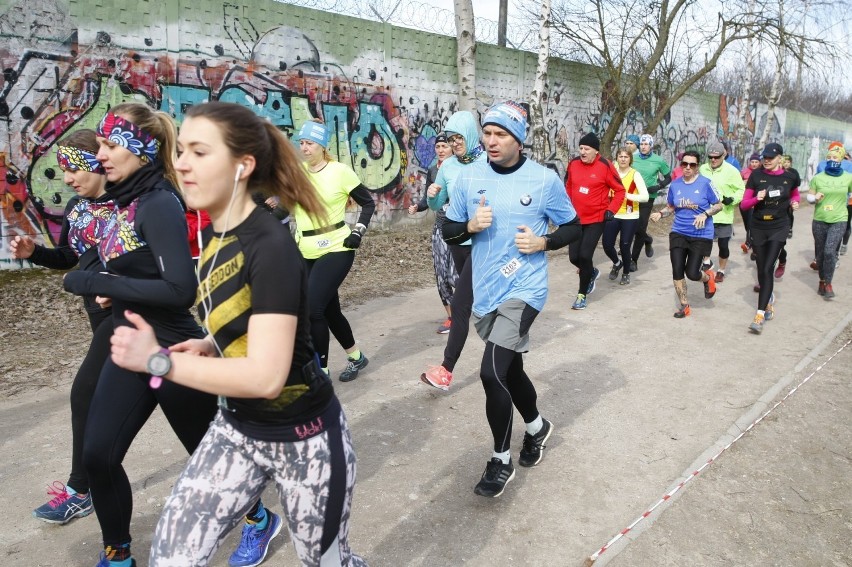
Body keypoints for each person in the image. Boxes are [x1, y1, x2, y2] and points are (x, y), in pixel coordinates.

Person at [108, 101, 367, 567]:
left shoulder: (270, 246)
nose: (181, 162)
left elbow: (267, 378)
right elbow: (249, 315)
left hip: (305, 437)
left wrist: (158, 360)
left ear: (242, 165)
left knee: (327, 563)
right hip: (236, 430)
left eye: (199, 152)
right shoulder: (215, 233)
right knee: (171, 555)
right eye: (181, 150)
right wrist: (212, 343)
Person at [61, 103, 218, 567]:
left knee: (206, 460)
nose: (101, 154)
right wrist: (117, 291)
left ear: (139, 149)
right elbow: (136, 267)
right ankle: (119, 554)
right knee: (97, 455)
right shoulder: (121, 203)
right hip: (129, 345)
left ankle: (256, 519)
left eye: (110, 145)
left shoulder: (157, 204)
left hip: (173, 348)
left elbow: (180, 289)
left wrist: (99, 284)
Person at [442, 101, 580, 497]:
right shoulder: (469, 178)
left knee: (490, 373)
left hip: (525, 289)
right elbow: (449, 230)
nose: (491, 141)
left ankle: (500, 461)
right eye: (487, 133)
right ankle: (537, 427)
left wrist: (544, 242)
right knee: (510, 370)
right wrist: (468, 225)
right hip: (487, 291)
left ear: (520, 139)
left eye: (501, 134)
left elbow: (574, 226)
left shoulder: (543, 180)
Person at [11, 130, 113, 525]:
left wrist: (120, 289)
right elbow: (70, 256)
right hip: (98, 316)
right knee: (183, 403)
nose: (67, 178)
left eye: (73, 168)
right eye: (63, 169)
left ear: (95, 164)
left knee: (84, 394)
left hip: (128, 316)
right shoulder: (76, 208)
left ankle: (79, 490)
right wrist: (34, 252)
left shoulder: (129, 205)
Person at [294, 120, 376, 382]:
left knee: (312, 310)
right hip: (305, 250)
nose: (304, 148)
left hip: (338, 246)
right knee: (329, 311)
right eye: (302, 143)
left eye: (309, 143)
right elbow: (285, 210)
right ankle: (356, 357)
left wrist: (358, 231)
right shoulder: (297, 173)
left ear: (322, 146)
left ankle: (321, 372)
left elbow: (368, 204)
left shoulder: (340, 172)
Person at [420, 110, 487, 391]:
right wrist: (432, 197)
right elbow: (439, 209)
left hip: (482, 245)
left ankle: (446, 370)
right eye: (451, 138)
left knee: (460, 305)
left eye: (459, 137)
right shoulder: (447, 166)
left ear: (470, 135)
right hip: (457, 242)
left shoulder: (487, 163)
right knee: (477, 304)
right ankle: (504, 347)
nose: (455, 142)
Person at [650, 150, 721, 318]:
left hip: (701, 234)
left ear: (697, 167)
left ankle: (707, 278)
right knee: (677, 269)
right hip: (679, 232)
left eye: (692, 165)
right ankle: (684, 305)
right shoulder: (675, 185)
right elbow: (672, 207)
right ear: (681, 165)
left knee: (692, 273)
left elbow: (719, 205)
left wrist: (705, 214)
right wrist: (661, 214)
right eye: (685, 164)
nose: (688, 168)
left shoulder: (705, 184)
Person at [739, 142, 800, 334]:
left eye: (770, 158)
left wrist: (795, 202)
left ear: (780, 158)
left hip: (779, 227)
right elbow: (743, 205)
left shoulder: (791, 176)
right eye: (764, 157)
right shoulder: (756, 176)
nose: (766, 161)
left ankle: (759, 315)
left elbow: (795, 194)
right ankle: (769, 299)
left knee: (767, 268)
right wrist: (756, 198)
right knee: (761, 269)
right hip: (758, 227)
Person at [564, 132, 625, 309]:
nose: (582, 152)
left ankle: (581, 295)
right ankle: (591, 272)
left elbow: (620, 190)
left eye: (586, 149)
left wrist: (611, 209)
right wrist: (566, 208)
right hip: (575, 218)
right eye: (581, 148)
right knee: (574, 257)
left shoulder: (605, 166)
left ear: (595, 151)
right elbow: (568, 185)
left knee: (585, 255)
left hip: (596, 218)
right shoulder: (574, 163)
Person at [408, 133, 457, 333]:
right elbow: (428, 199)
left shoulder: (459, 169)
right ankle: (452, 317)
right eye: (438, 147)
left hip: (459, 229)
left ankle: (471, 307)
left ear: (452, 148)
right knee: (441, 275)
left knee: (456, 276)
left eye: (445, 146)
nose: (441, 150)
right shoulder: (433, 170)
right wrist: (416, 208)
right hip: (440, 228)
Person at [698, 140, 745, 282]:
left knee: (723, 246)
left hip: (724, 215)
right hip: (706, 215)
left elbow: (741, 190)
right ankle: (707, 263)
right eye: (710, 157)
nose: (713, 160)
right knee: (703, 243)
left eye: (716, 157)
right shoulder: (702, 169)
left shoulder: (732, 171)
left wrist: (732, 199)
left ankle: (721, 270)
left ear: (723, 155)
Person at [808, 155, 852, 299]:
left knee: (829, 251)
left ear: (841, 159)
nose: (833, 159)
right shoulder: (818, 178)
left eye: (836, 157)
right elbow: (809, 197)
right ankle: (822, 280)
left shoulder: (848, 177)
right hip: (820, 219)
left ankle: (828, 283)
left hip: (839, 219)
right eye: (830, 156)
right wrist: (814, 198)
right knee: (820, 254)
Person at [603, 146, 648, 285]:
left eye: (626, 157)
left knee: (624, 246)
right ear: (617, 157)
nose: (623, 159)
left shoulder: (635, 174)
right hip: (613, 213)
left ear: (630, 159)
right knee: (607, 244)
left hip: (630, 215)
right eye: (620, 156)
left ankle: (626, 272)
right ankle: (617, 263)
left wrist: (625, 195)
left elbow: (645, 197)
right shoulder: (611, 172)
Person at [630, 134, 672, 269]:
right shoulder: (632, 158)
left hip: (648, 197)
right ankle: (647, 239)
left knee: (640, 227)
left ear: (651, 146)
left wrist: (659, 186)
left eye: (646, 144)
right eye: (641, 144)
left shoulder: (658, 160)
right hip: (632, 196)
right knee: (632, 227)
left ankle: (633, 260)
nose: (643, 147)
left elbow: (668, 177)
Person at [739, 153, 762, 253]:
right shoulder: (744, 172)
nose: (754, 164)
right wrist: (743, 183)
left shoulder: (761, 173)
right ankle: (752, 239)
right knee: (747, 223)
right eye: (752, 162)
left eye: (756, 162)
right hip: (744, 202)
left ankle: (748, 243)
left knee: (751, 222)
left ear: (759, 163)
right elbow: (737, 184)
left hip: (755, 201)